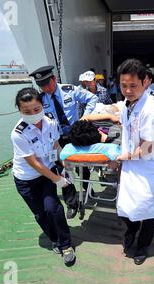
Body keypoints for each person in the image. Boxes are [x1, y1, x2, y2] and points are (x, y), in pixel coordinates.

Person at [111, 58, 154, 265]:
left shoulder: (150, 111)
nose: (127, 90)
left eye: (132, 86)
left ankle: (143, 245)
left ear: (145, 81)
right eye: (123, 85)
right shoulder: (130, 103)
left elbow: (148, 147)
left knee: (149, 208)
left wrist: (123, 157)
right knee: (127, 205)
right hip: (134, 163)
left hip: (151, 167)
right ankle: (131, 229)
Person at [11, 88, 76, 267]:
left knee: (53, 208)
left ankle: (66, 245)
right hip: (26, 180)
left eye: (37, 109)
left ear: (42, 105)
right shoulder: (18, 133)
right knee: (41, 214)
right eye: (27, 111)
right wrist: (58, 179)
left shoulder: (49, 121)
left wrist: (65, 165)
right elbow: (34, 163)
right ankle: (54, 239)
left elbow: (55, 144)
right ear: (19, 110)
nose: (33, 114)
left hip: (46, 173)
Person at [29, 65, 99, 220]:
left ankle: (88, 188)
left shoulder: (70, 90)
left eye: (48, 83)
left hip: (76, 134)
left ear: (54, 78)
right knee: (63, 170)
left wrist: (85, 117)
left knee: (84, 164)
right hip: (57, 139)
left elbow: (92, 98)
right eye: (41, 85)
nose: (46, 88)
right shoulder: (40, 99)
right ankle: (72, 203)